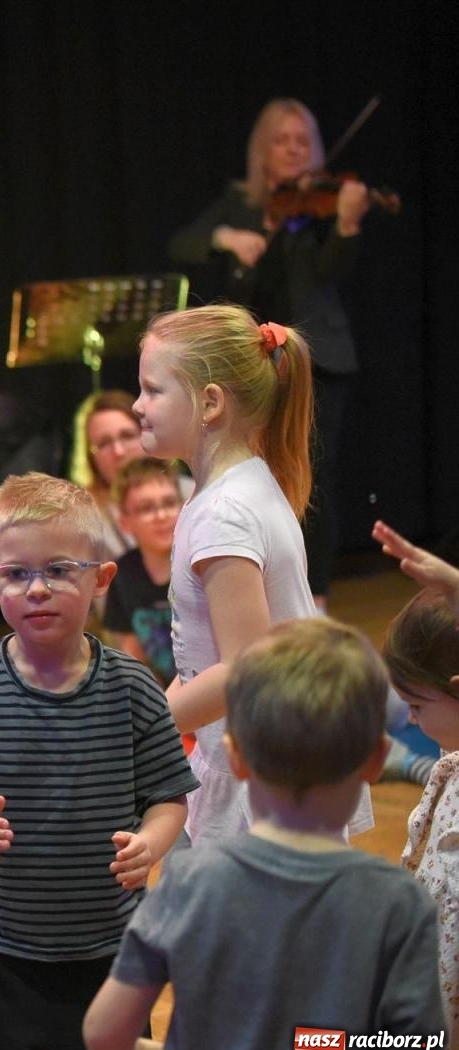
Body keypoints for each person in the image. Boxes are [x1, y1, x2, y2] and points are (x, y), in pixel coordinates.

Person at [0, 473, 197, 1050]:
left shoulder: (134, 689)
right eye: (17, 574)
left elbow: (170, 798)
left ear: (101, 579)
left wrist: (151, 842)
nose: (37, 588)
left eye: (60, 569)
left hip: (108, 958)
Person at [83, 617, 446, 1050]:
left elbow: (103, 1034)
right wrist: (322, 1044)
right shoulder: (397, 902)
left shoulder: (187, 884)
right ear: (374, 760)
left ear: (235, 757)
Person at [135, 304, 371, 843]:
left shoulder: (226, 513)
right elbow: (203, 663)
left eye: (152, 390)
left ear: (210, 402)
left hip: (266, 779)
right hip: (258, 758)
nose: (138, 405)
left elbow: (243, 667)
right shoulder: (232, 490)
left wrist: (138, 727)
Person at [168, 99, 372, 606]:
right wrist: (227, 236)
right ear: (263, 148)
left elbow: (328, 273)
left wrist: (346, 227)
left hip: (316, 359)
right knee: (257, 475)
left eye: (303, 141)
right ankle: (264, 590)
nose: (294, 150)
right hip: (255, 362)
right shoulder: (242, 203)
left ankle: (315, 600)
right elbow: (183, 243)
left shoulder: (321, 209)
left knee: (311, 479)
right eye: (283, 140)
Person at [378, 523, 459, 1050]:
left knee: (314, 1043)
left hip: (435, 1035)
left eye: (417, 706)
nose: (408, 718)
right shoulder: (447, 767)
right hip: (421, 1015)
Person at [101, 458, 183, 685]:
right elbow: (132, 653)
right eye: (146, 508)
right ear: (125, 523)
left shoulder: (201, 563)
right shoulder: (123, 574)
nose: (161, 515)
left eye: (169, 503)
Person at [69, 390, 151, 560]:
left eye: (128, 436)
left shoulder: (191, 494)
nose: (118, 451)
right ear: (90, 458)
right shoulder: (80, 520)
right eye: (104, 443)